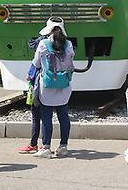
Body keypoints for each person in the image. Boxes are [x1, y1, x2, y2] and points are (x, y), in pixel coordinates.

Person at [32, 17, 75, 159]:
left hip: (47, 86)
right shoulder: (68, 44)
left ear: (48, 30)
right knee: (63, 116)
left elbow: (36, 63)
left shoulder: (43, 44)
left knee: (46, 117)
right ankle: (63, 146)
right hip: (64, 87)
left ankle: (46, 148)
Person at [18, 35, 45, 154]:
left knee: (36, 118)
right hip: (49, 92)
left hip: (37, 92)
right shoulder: (51, 56)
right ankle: (45, 144)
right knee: (46, 118)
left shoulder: (36, 60)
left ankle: (34, 144)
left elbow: (30, 76)